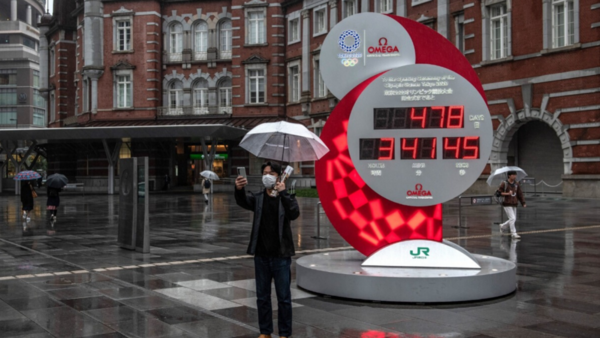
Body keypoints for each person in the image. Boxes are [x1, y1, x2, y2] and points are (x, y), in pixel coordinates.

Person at [234, 161, 299, 338]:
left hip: (281, 256)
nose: (267, 176)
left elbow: (294, 213)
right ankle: (265, 331)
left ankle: (284, 333)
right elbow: (243, 201)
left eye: (270, 173)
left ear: (279, 176)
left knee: (284, 298)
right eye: (264, 173)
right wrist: (239, 189)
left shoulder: (286, 197)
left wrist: (284, 192)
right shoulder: (259, 197)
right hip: (261, 256)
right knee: (262, 297)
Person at [497, 171, 526, 239]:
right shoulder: (504, 183)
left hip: (514, 203)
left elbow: (520, 194)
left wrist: (523, 202)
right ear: (509, 176)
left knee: (513, 219)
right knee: (512, 218)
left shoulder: (516, 184)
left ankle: (503, 226)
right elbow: (499, 193)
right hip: (507, 203)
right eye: (513, 175)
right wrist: (507, 193)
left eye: (515, 175)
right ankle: (513, 233)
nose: (514, 176)